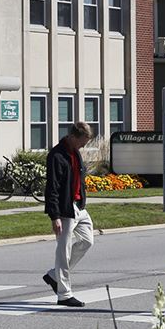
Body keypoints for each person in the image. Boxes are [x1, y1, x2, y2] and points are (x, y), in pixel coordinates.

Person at [42, 121, 95, 307]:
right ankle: (64, 295)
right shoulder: (57, 155)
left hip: (78, 207)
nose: (84, 145)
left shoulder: (75, 153)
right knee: (63, 252)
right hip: (64, 209)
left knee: (88, 240)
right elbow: (52, 188)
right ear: (73, 136)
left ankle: (54, 275)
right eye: (83, 141)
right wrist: (55, 216)